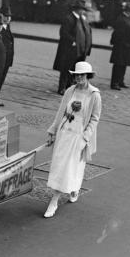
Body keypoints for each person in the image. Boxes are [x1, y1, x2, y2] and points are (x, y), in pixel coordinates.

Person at [44, 61, 101, 218]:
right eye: (77, 75)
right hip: (64, 134)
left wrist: (86, 137)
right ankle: (73, 188)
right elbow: (61, 112)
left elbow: (95, 118)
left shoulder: (94, 95)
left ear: (88, 76)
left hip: (79, 136)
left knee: (71, 166)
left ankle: (54, 200)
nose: (79, 78)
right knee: (60, 166)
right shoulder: (70, 91)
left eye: (82, 75)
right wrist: (52, 131)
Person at [52, 0, 92, 95]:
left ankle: (69, 86)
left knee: (75, 69)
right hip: (69, 49)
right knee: (66, 69)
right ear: (77, 9)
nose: (83, 11)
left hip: (79, 50)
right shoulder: (69, 18)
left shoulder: (82, 19)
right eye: (82, 9)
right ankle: (62, 87)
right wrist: (73, 41)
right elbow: (63, 33)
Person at [109, 3, 130, 90]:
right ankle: (115, 83)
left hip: (125, 48)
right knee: (118, 65)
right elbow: (118, 35)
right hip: (121, 48)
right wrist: (126, 44)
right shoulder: (121, 20)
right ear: (129, 12)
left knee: (123, 65)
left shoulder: (126, 19)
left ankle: (120, 81)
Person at [0, 7, 14, 107]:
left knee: (1, 79)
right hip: (1, 60)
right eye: (6, 16)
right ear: (1, 16)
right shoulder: (0, 28)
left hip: (7, 60)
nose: (8, 18)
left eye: (10, 16)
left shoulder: (7, 27)